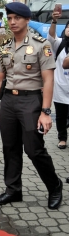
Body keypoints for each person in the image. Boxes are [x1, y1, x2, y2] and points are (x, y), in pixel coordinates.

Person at [0, 2, 63, 209]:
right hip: (9, 102)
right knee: (10, 148)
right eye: (9, 18)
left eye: (17, 18)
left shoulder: (41, 45)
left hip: (31, 101)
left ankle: (55, 186)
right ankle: (13, 190)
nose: (12, 22)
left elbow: (48, 80)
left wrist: (46, 112)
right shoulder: (5, 47)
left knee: (34, 149)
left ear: (27, 19)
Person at [47, 10, 69, 149]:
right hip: (60, 87)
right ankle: (62, 138)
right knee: (61, 116)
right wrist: (54, 21)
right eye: (68, 27)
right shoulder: (60, 43)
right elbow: (51, 36)